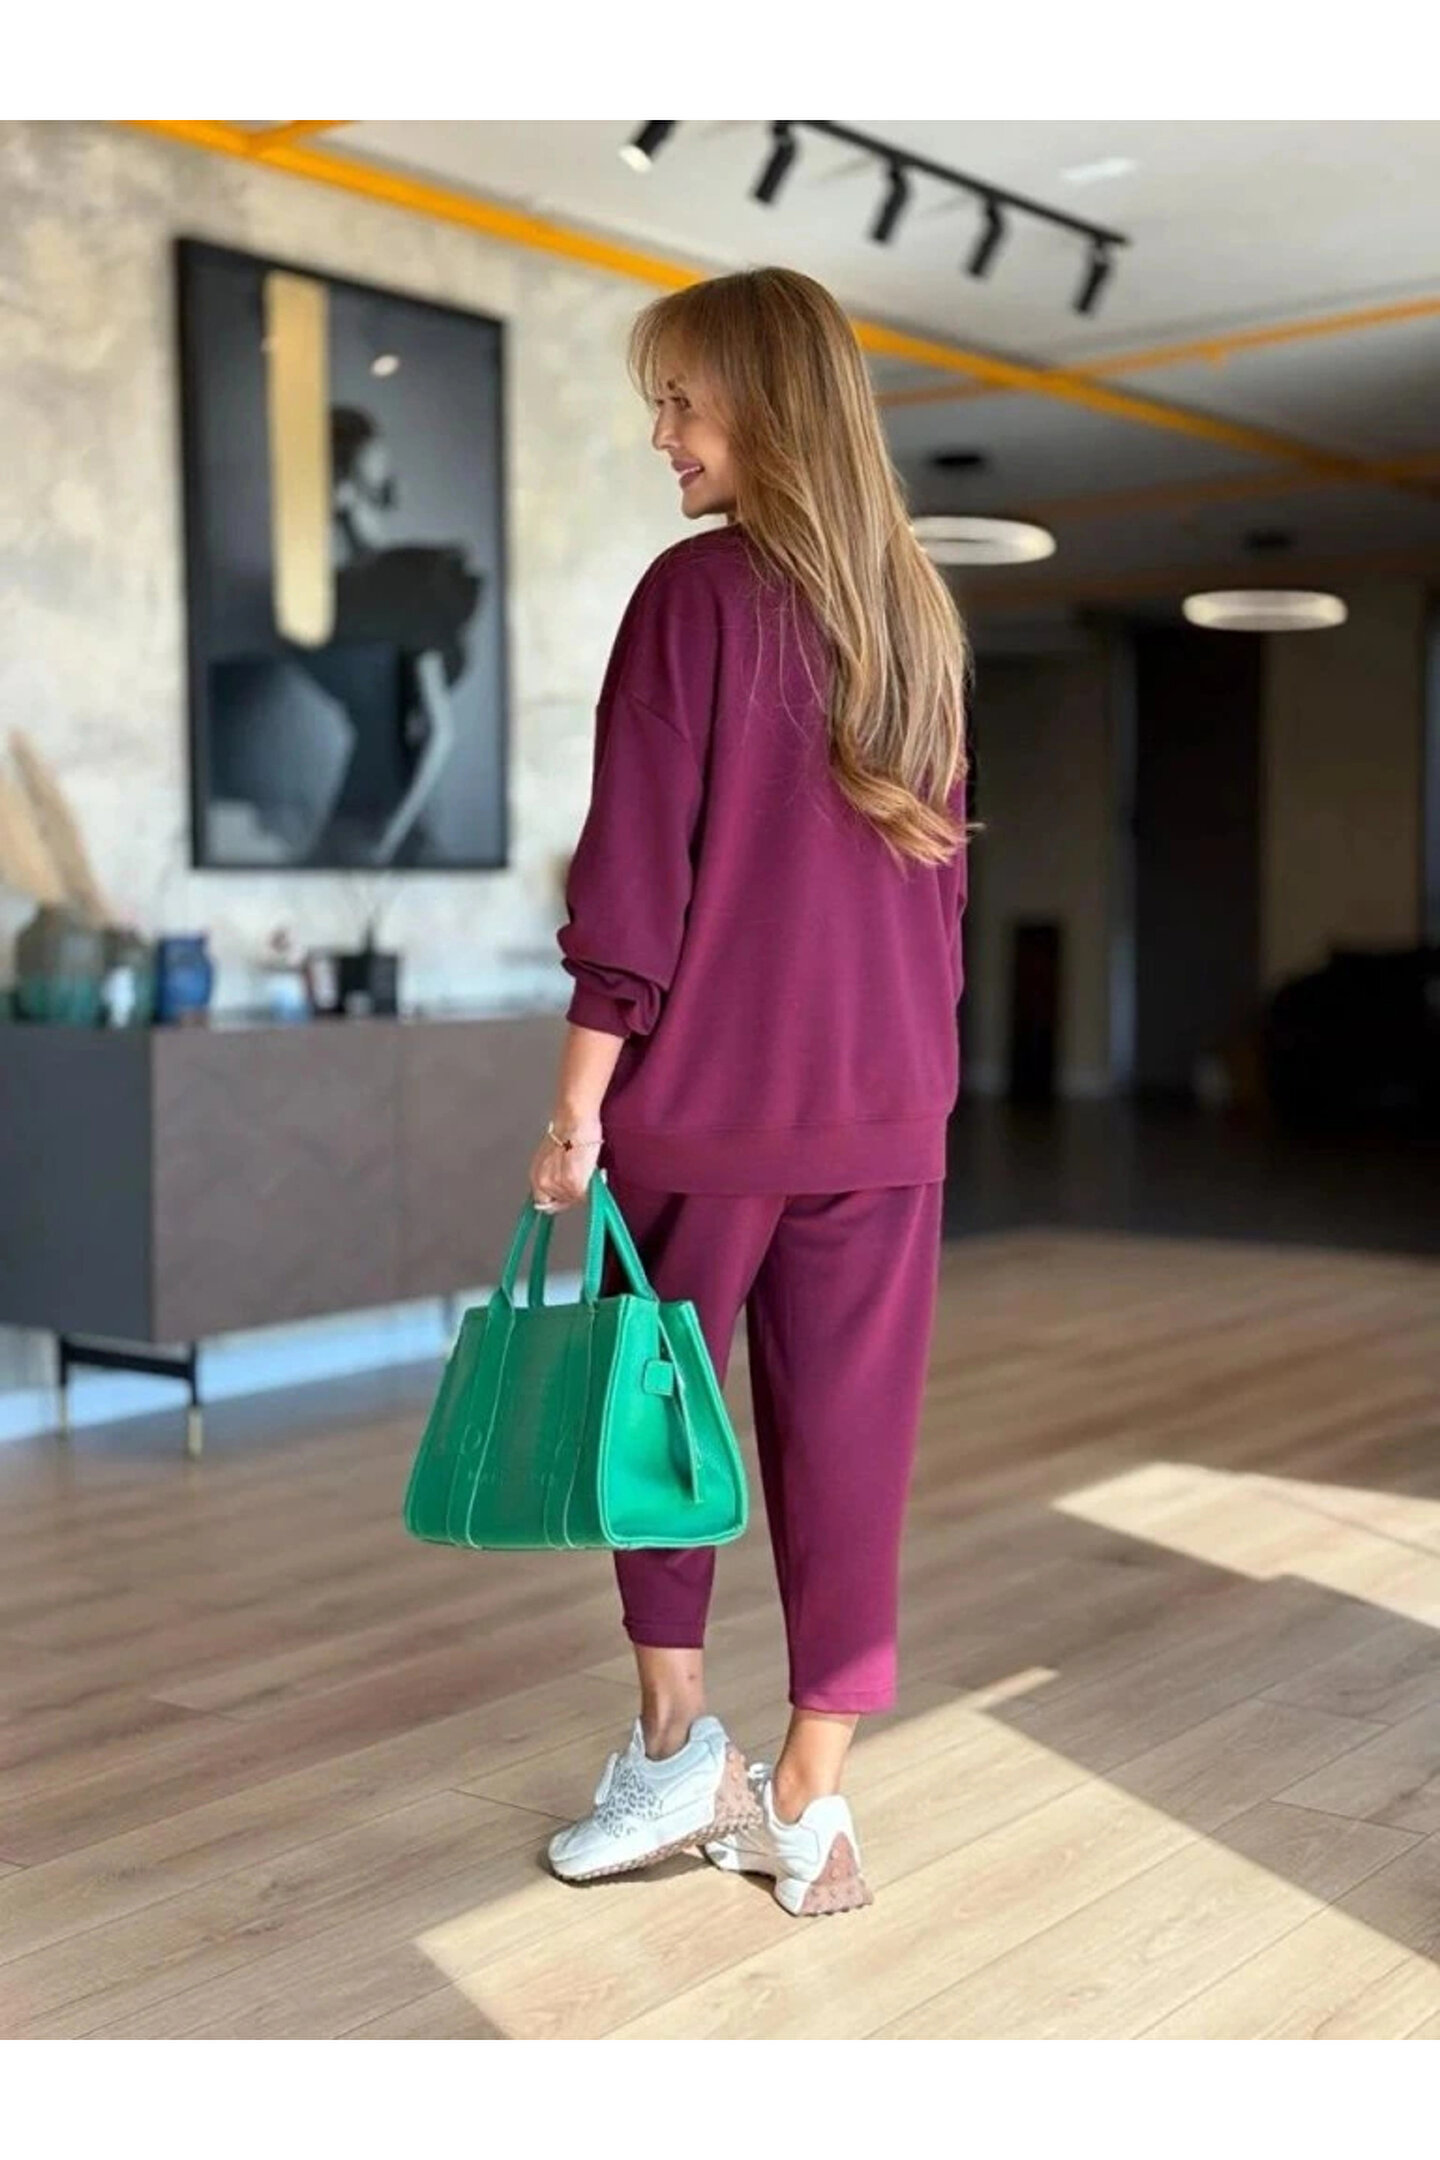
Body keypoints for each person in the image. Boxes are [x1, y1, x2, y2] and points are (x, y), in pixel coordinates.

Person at [528, 267, 970, 1919]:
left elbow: (632, 885)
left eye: (682, 402)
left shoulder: (693, 596)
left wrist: (576, 1106)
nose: (663, 435)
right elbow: (941, 905)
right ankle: (811, 1800)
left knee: (650, 1420)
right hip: (889, 1113)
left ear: (765, 410)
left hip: (703, 1110)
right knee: (855, 1444)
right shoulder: (917, 617)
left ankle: (673, 1757)